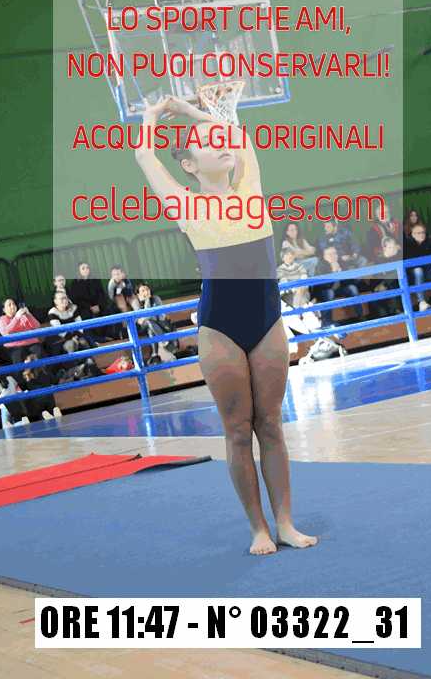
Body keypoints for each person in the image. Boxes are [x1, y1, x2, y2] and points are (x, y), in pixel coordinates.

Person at [135, 94, 317, 555]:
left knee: (271, 425)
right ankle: (258, 528)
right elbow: (144, 156)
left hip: (266, 320)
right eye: (206, 142)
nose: (220, 144)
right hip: (221, 328)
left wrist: (199, 113)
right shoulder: (184, 204)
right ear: (189, 165)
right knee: (237, 430)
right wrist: (152, 116)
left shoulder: (250, 187)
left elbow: (238, 136)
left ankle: (285, 523)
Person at [317, 246, 364, 328]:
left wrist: (341, 273)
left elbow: (350, 282)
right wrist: (333, 272)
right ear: (324, 257)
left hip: (339, 289)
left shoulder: (342, 263)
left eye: (334, 253)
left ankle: (361, 316)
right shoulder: (321, 266)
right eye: (329, 254)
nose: (333, 256)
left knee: (352, 288)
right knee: (329, 292)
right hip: (326, 291)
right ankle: (327, 322)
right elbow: (323, 286)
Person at [135, 283, 176, 364]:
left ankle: (155, 355)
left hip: (157, 324)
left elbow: (161, 316)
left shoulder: (156, 298)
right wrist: (147, 301)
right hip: (142, 327)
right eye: (143, 290)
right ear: (138, 294)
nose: (146, 292)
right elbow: (139, 321)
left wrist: (147, 315)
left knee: (150, 327)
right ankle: (164, 342)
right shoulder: (136, 303)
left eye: (147, 289)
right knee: (149, 322)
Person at [0, 299, 43, 366]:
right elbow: (5, 332)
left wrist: (29, 315)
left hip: (31, 343)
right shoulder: (2, 319)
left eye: (13, 304)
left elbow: (37, 326)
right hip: (14, 346)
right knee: (18, 355)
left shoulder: (23, 316)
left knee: (39, 352)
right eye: (9, 305)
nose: (12, 306)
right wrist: (16, 318)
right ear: (4, 310)